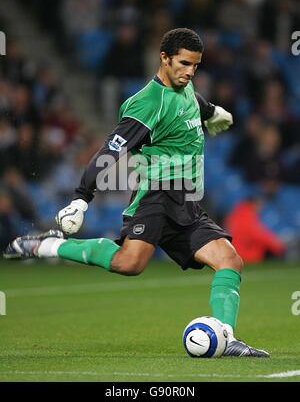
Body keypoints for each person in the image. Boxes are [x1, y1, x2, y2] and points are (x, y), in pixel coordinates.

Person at [5, 28, 269, 357]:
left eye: (196, 66)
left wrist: (211, 111)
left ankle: (226, 337)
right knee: (129, 263)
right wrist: (81, 198)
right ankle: (47, 245)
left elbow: (192, 102)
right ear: (164, 58)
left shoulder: (185, 87)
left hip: (187, 201)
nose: (190, 71)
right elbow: (109, 151)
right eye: (184, 63)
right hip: (156, 198)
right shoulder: (146, 103)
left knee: (230, 259)